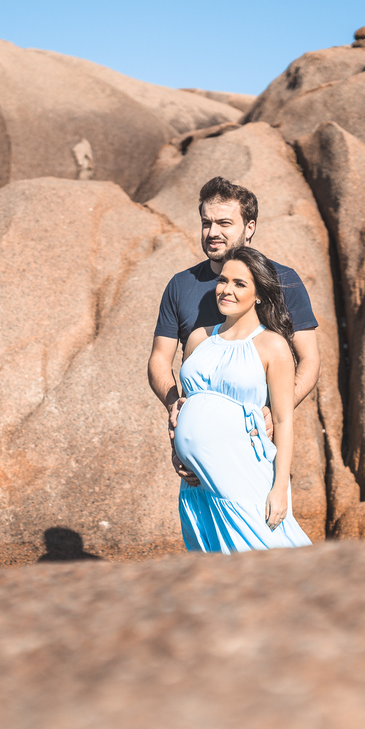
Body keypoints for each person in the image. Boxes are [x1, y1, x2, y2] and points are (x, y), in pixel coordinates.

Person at [147, 177, 320, 488]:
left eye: (224, 223)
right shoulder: (180, 285)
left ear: (249, 227)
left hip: (256, 448)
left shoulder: (283, 281)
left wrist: (275, 411)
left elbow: (310, 360)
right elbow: (160, 359)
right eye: (206, 223)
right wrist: (175, 407)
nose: (212, 232)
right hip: (195, 461)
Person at [170, 245, 312, 551]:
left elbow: (284, 421)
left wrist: (280, 488)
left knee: (266, 557)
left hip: (243, 474)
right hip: (196, 484)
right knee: (211, 564)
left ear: (258, 293)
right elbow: (186, 408)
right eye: (223, 280)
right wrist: (176, 452)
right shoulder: (198, 338)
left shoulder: (272, 345)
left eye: (239, 284)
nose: (226, 290)